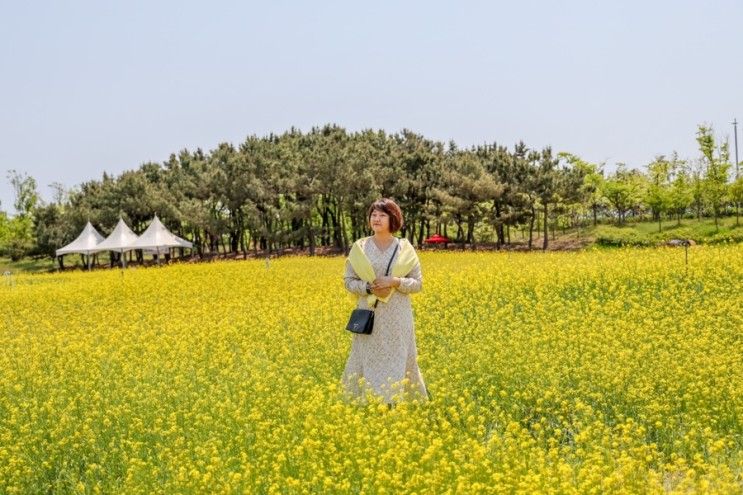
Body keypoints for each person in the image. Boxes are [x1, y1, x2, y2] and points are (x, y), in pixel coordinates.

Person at [341, 198, 430, 406]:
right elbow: (348, 281)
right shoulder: (360, 247)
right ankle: (367, 402)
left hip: (397, 317)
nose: (376, 219)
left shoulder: (404, 249)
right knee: (367, 359)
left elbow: (417, 284)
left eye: (382, 215)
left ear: (393, 219)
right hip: (369, 315)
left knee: (398, 359)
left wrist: (395, 281)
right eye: (373, 215)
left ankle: (397, 403)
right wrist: (368, 287)